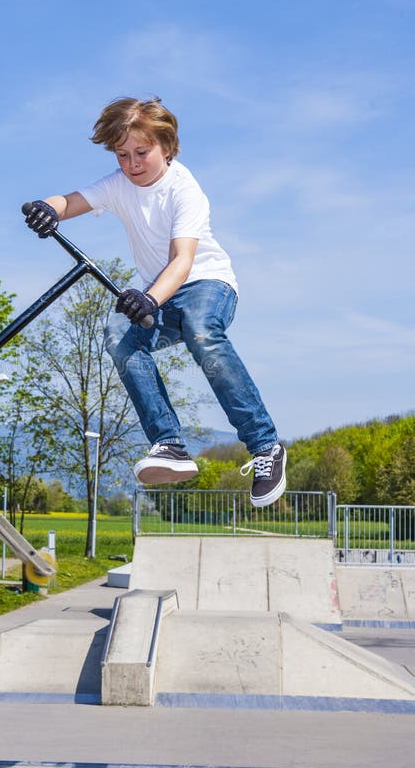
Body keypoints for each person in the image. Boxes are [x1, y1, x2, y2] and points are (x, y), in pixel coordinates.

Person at [22, 96, 286, 507]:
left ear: (167, 146)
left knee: (201, 331)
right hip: (157, 296)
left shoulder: (185, 189)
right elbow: (71, 201)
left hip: (207, 285)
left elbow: (182, 261)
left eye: (141, 153)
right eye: (122, 155)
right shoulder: (118, 184)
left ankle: (266, 446)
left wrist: (148, 299)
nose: (132, 164)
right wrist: (46, 208)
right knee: (117, 335)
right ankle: (169, 444)